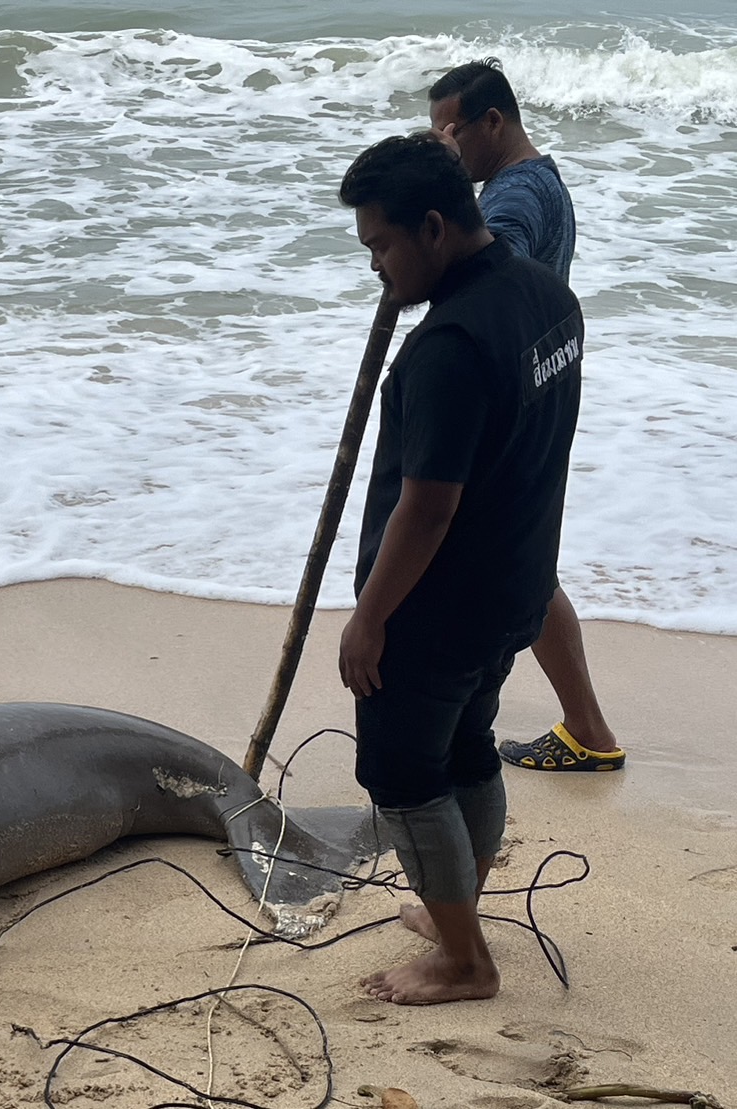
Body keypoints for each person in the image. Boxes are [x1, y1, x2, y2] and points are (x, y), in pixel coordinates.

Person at [337, 132, 583, 1003]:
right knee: (468, 749)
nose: (376, 267)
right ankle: (458, 909)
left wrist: (368, 618)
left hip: (436, 612)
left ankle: (461, 959)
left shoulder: (445, 348)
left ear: (432, 227)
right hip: (514, 585)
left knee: (404, 779)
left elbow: (428, 505)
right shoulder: (547, 295)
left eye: (380, 245)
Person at [428, 58, 624, 773]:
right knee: (529, 567)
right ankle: (586, 727)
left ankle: (580, 729)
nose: (445, 144)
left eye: (451, 131)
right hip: (539, 385)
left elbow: (484, 274)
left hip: (510, 401)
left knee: (516, 568)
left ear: (491, 121)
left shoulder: (514, 195)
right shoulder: (542, 182)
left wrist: (441, 188)